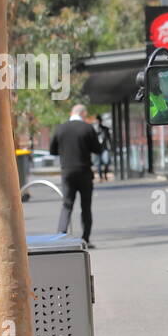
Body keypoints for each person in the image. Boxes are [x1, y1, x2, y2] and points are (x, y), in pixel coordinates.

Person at [49, 104, 103, 247]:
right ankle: (85, 238)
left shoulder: (60, 128)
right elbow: (98, 149)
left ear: (71, 112)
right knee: (86, 206)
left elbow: (52, 150)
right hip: (84, 171)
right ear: (83, 114)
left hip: (67, 171)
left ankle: (60, 236)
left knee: (67, 204)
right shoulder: (87, 128)